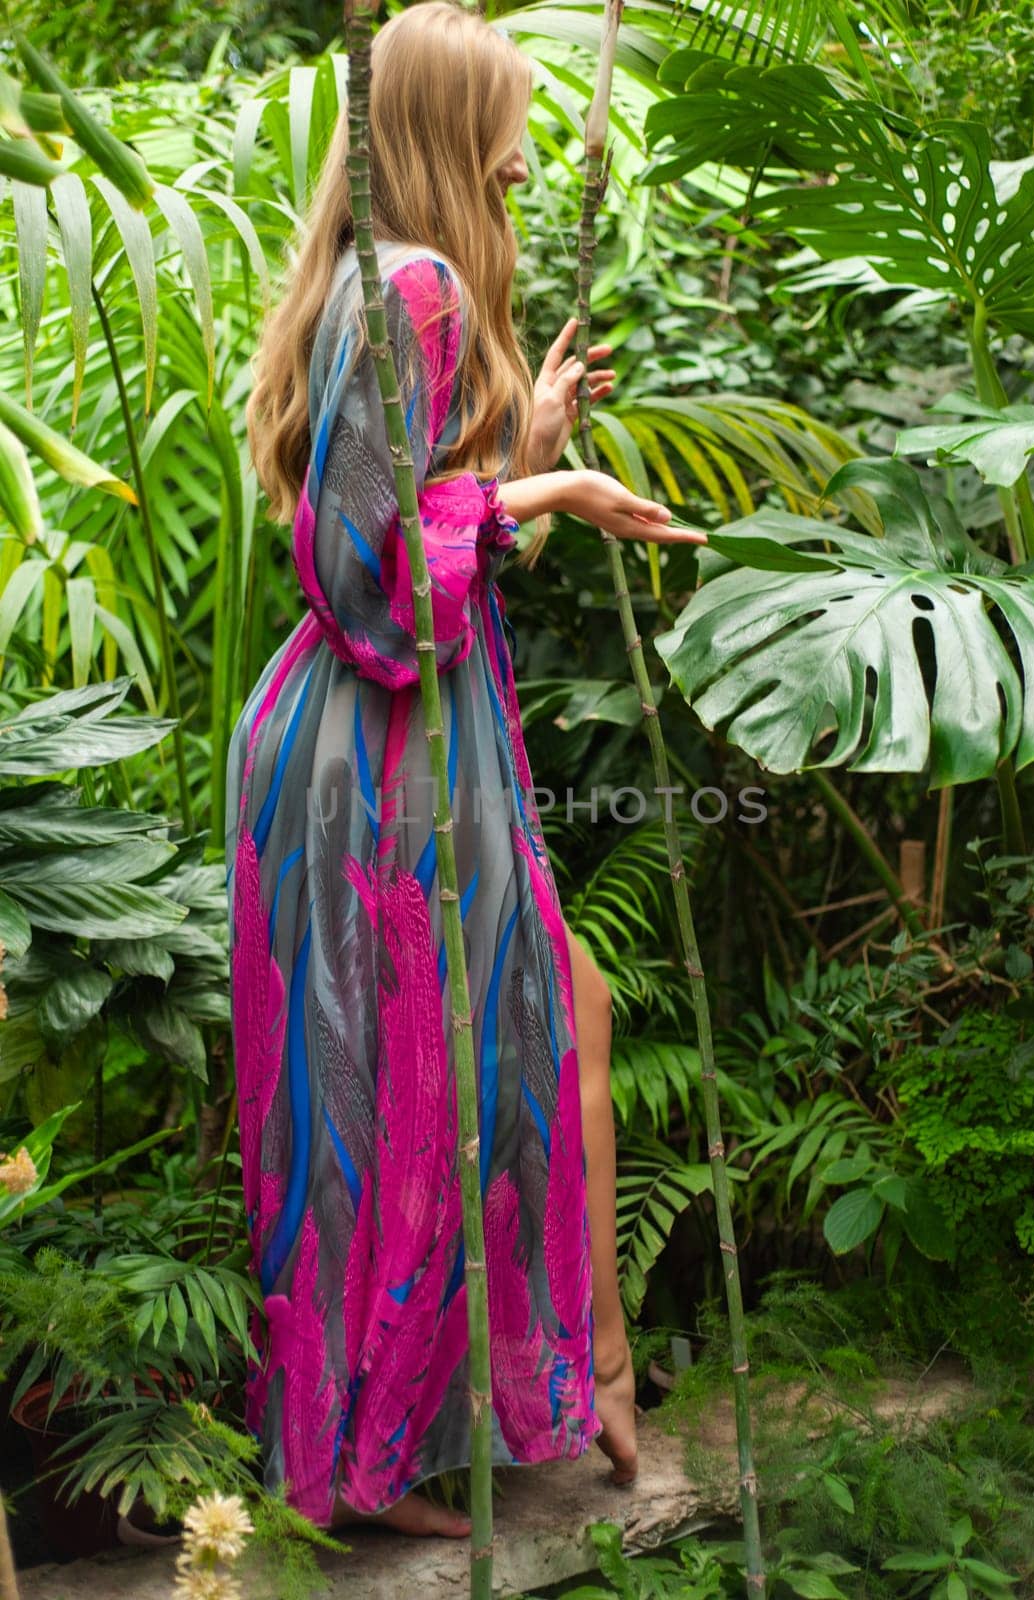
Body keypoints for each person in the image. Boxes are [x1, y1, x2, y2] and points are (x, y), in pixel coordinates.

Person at [226, 0, 706, 1540]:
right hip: (372, 751)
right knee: (391, 1078)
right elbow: (370, 580)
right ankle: (362, 1469)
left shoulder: (405, 290)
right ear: (448, 121)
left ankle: (511, 1400)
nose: (533, 145)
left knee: (499, 1032)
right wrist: (548, 479)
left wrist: (525, 449)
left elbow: (431, 531)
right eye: (510, 111)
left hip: (401, 730)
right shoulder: (412, 284)